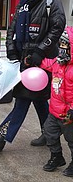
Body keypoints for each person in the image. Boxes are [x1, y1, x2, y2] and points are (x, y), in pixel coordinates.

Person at [0, 0, 66, 151]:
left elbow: (57, 29)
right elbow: (12, 29)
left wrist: (40, 52)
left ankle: (2, 137)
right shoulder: (23, 4)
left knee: (23, 98)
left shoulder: (52, 2)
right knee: (37, 98)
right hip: (23, 60)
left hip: (41, 63)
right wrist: (11, 50)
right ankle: (49, 134)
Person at [40, 27, 73, 177]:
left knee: (71, 140)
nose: (62, 49)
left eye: (65, 46)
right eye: (61, 45)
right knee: (49, 133)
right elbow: (46, 63)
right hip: (54, 110)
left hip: (69, 114)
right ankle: (57, 157)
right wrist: (34, 59)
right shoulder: (57, 63)